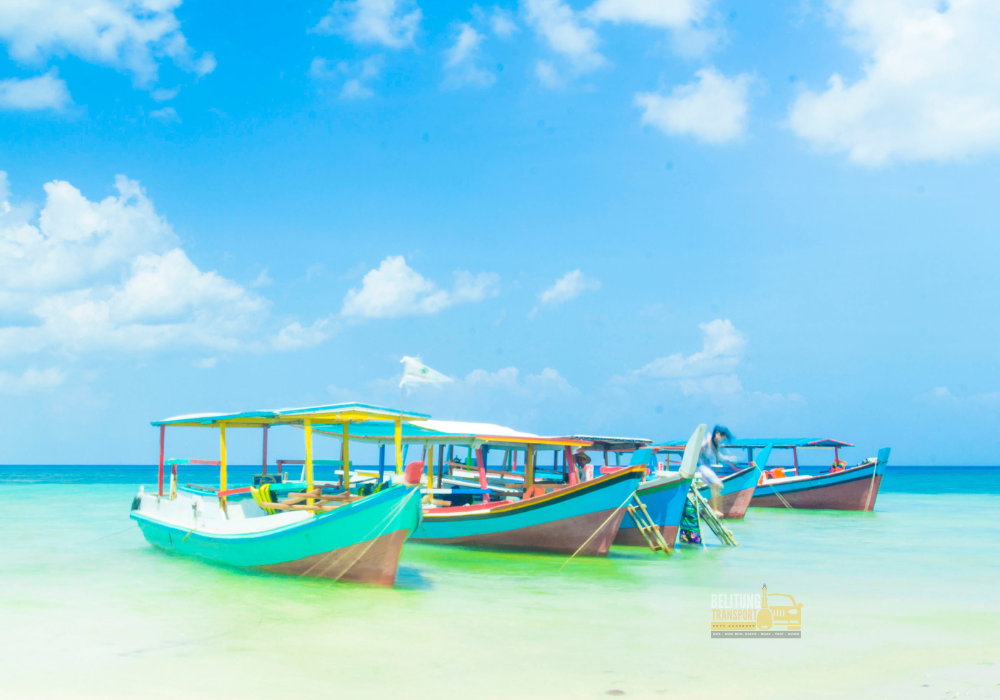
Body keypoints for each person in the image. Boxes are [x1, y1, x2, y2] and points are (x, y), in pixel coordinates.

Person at [679, 425, 736, 544]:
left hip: (706, 468)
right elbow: (692, 451)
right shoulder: (705, 442)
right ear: (717, 434)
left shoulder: (715, 444)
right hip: (699, 467)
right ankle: (715, 509)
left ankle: (716, 509)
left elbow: (720, 457)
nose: (722, 440)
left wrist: (730, 460)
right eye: (722, 437)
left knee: (719, 485)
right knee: (717, 484)